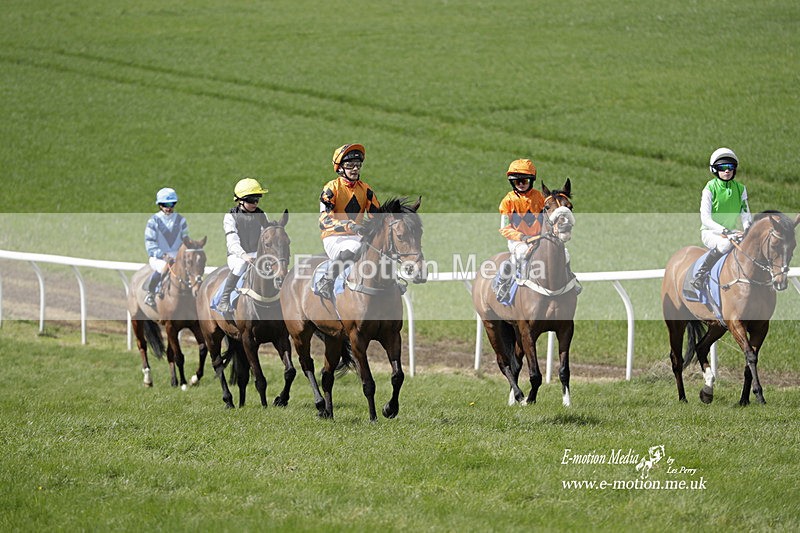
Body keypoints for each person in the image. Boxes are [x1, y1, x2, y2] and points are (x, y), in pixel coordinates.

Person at [316, 143, 381, 299]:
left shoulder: (366, 189)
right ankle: (326, 280)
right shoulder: (331, 188)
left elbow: (377, 217)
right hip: (334, 237)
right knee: (354, 246)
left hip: (358, 235)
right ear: (340, 168)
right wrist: (349, 225)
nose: (355, 169)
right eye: (350, 165)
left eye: (358, 165)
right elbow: (324, 221)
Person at [691, 147, 752, 292]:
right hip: (711, 233)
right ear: (715, 170)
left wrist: (748, 230)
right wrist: (725, 231)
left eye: (730, 167)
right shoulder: (709, 188)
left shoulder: (741, 189)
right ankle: (700, 275)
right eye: (722, 167)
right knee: (725, 244)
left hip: (731, 232)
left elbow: (745, 213)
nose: (727, 171)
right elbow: (705, 219)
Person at [216, 177, 270, 314]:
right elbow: (232, 242)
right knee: (240, 265)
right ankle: (224, 299)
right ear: (240, 200)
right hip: (237, 255)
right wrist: (244, 255)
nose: (255, 203)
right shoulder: (230, 216)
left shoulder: (262, 215)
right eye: (251, 200)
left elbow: (266, 237)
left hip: (257, 254)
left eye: (257, 199)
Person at [495, 159, 545, 300]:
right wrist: (523, 238)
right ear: (513, 183)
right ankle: (502, 283)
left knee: (563, 252)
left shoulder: (539, 197)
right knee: (522, 253)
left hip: (540, 239)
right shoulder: (508, 201)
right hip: (518, 241)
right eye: (518, 182)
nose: (522, 184)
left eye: (525, 181)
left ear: (531, 181)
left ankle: (570, 281)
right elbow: (504, 228)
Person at [144, 187, 189, 308]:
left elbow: (185, 241)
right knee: (164, 267)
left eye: (171, 204)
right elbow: (150, 243)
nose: (168, 207)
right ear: (160, 205)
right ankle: (150, 293)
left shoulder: (181, 220)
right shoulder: (153, 221)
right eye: (165, 204)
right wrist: (163, 255)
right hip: (158, 257)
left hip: (176, 256)